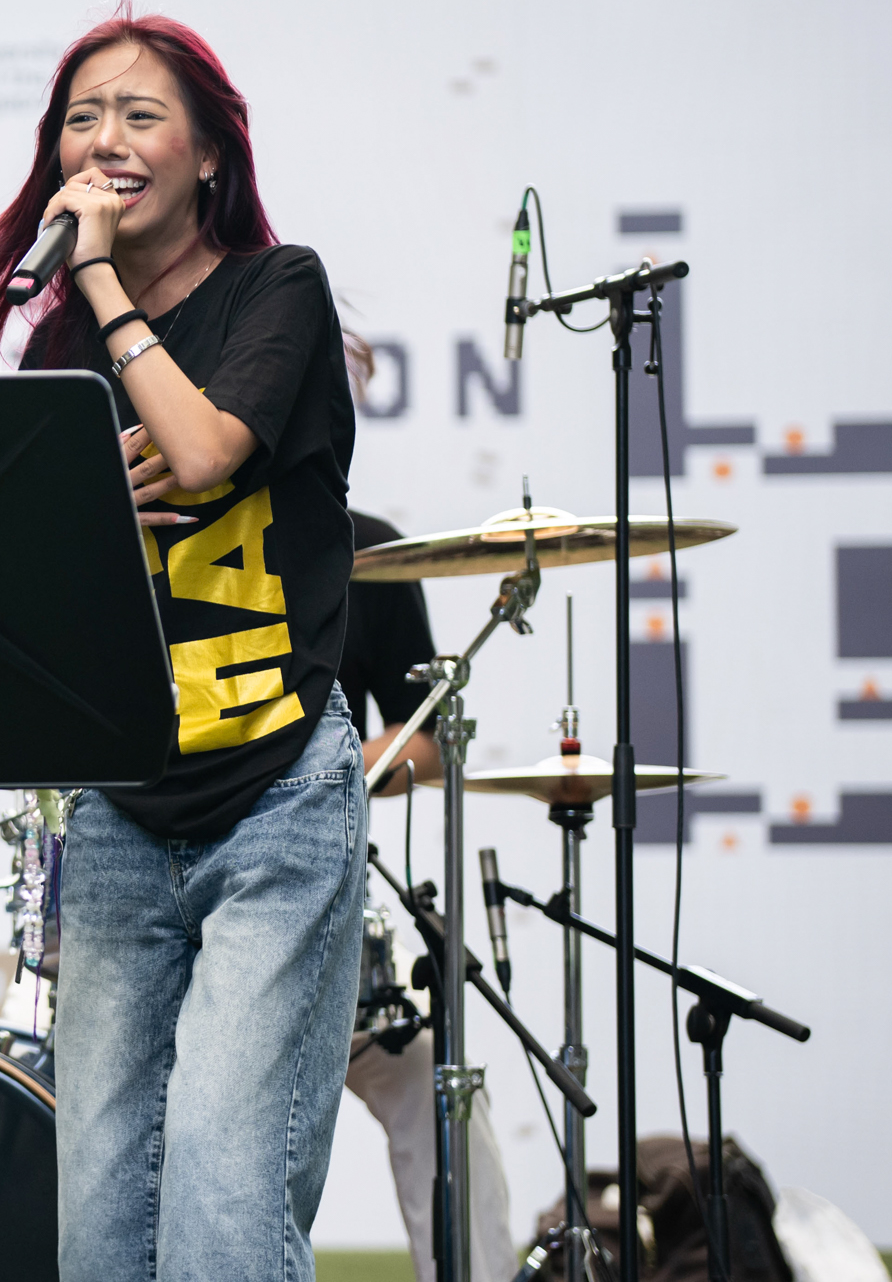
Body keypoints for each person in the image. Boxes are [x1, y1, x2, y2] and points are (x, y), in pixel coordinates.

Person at [0, 7, 365, 1282]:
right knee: (97, 1225)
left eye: (138, 115)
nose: (102, 140)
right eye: (80, 117)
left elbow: (208, 452)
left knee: (222, 1203)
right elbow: (16, 591)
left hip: (274, 788)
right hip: (116, 810)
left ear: (210, 153)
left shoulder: (279, 288)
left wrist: (96, 278)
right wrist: (68, 503)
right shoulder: (56, 351)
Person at [340, 502, 515, 1282]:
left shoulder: (366, 548)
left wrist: (315, 775)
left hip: (318, 905)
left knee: (433, 1077)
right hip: (166, 904)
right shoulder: (139, 522)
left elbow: (430, 740)